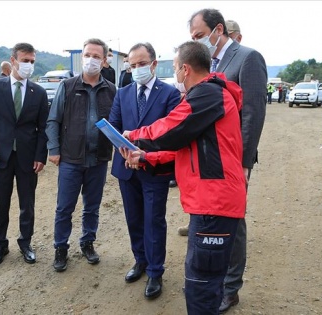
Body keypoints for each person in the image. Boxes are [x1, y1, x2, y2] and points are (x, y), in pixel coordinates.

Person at [121, 40, 245, 314]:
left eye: (176, 67)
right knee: (200, 279)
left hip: (215, 202)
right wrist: (146, 158)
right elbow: (184, 149)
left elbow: (170, 129)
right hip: (208, 201)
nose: (175, 73)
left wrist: (134, 136)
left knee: (201, 283)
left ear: (185, 69)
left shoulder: (207, 95)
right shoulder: (209, 96)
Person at [188, 10, 267, 313]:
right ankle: (210, 280)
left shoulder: (248, 57)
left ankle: (230, 288)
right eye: (193, 37)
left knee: (234, 223)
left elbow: (253, 113)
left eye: (199, 35)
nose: (196, 41)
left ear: (217, 29)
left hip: (233, 162)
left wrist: (243, 162)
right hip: (206, 161)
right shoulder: (208, 65)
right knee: (212, 220)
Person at [109, 42, 181, 300]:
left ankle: (155, 271)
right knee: (134, 218)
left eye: (142, 64)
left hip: (154, 169)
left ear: (153, 64)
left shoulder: (170, 94)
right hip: (127, 168)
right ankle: (140, 260)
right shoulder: (123, 93)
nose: (137, 68)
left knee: (153, 220)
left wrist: (145, 155)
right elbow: (115, 126)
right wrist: (124, 151)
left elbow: (171, 133)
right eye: (133, 65)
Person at [46, 38, 116, 272]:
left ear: (105, 60)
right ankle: (60, 247)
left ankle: (87, 242)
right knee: (65, 207)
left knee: (92, 206)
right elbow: (53, 120)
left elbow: (117, 125)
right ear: (82, 57)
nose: (91, 60)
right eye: (88, 55)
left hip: (98, 159)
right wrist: (54, 149)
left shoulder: (111, 90)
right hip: (70, 159)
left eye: (97, 56)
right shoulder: (67, 87)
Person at [0, 42, 49, 267]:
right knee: (0, 203)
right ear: (13, 61)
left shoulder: (38, 93)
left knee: (27, 202)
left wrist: (41, 156)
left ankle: (25, 242)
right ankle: (1, 244)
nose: (28, 65)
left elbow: (43, 128)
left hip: (28, 158)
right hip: (0, 157)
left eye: (32, 61)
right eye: (24, 60)